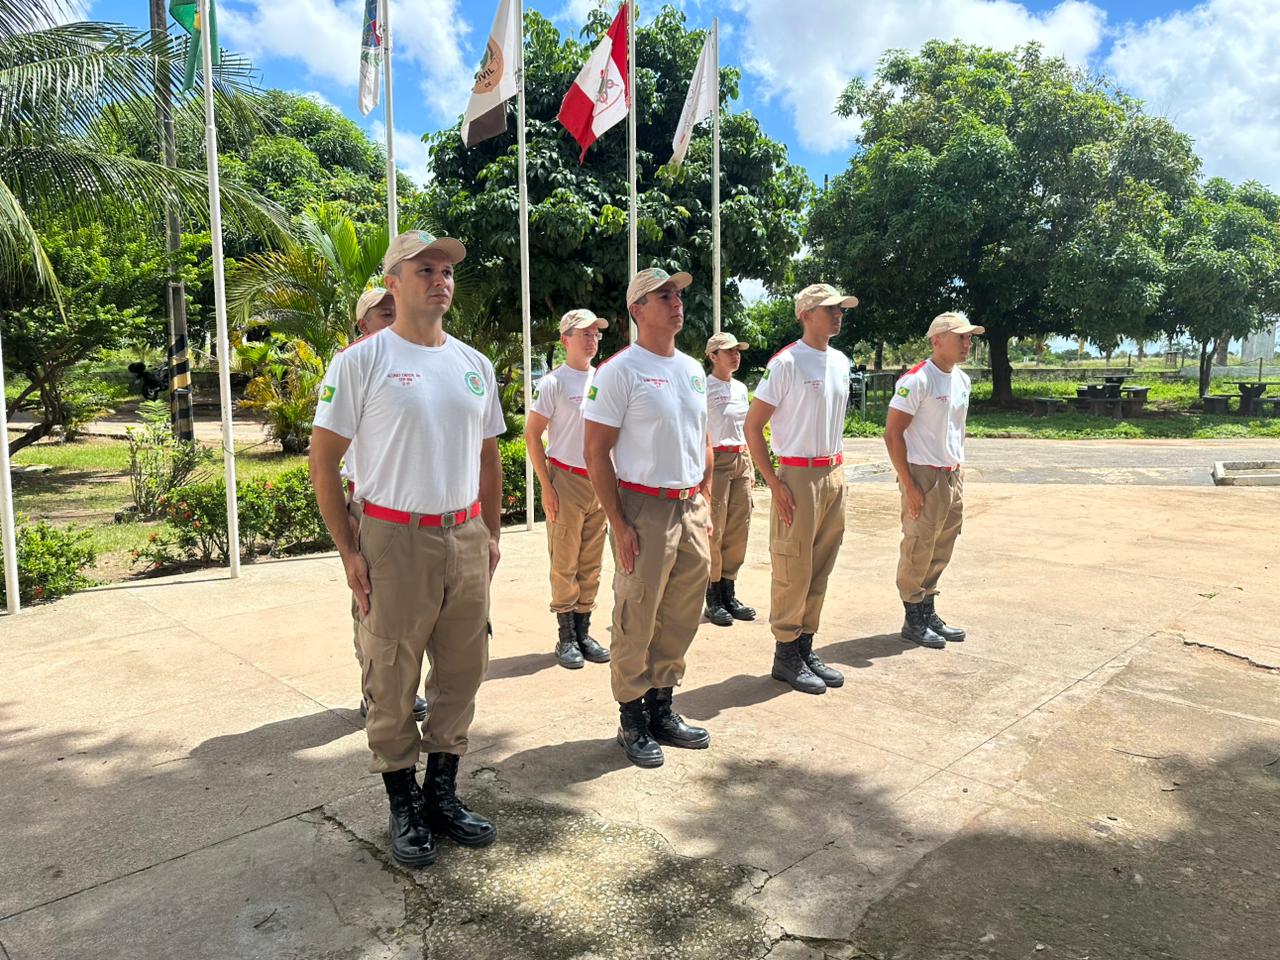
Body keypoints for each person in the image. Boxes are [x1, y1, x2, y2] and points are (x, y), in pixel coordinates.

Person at [310, 230, 503, 868]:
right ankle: (403, 801)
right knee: (391, 673)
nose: (440, 279)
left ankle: (442, 793)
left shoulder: (474, 365)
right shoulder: (361, 362)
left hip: (465, 534)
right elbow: (323, 461)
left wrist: (492, 533)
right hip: (393, 538)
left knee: (462, 669)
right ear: (393, 282)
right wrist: (349, 550)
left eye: (447, 270)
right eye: (425, 269)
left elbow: (488, 456)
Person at [582, 266, 714, 768]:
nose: (676, 302)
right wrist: (618, 522)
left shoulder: (693, 369)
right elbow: (595, 452)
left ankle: (662, 706)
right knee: (637, 614)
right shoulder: (620, 370)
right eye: (663, 296)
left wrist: (705, 499)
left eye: (677, 294)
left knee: (682, 612)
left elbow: (702, 437)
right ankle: (632, 717)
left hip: (690, 504)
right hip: (643, 506)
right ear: (637, 310)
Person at [745, 283, 856, 695]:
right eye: (830, 309)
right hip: (797, 474)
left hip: (833, 472)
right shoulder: (786, 363)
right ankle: (786, 652)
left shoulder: (841, 361)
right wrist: (773, 482)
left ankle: (806, 646)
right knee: (793, 567)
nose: (838, 314)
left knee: (821, 565)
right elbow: (753, 426)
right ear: (806, 315)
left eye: (840, 309)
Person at [345, 288, 430, 724]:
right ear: (364, 324)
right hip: (371, 504)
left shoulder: (420, 359)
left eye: (397, 310)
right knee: (372, 603)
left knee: (416, 606)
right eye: (384, 314)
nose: (394, 318)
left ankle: (403, 687)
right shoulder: (355, 364)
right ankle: (374, 689)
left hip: (419, 507)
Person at [884, 312, 981, 649]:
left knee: (942, 544)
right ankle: (913, 617)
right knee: (919, 545)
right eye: (961, 337)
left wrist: (957, 469)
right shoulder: (918, 380)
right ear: (937, 340)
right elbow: (893, 434)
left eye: (969, 338)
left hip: (952, 473)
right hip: (923, 474)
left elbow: (956, 429)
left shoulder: (962, 380)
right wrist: (909, 484)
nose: (967, 343)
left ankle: (927, 610)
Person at [524, 309, 612, 669]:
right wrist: (546, 486)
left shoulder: (604, 379)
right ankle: (566, 636)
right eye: (584, 334)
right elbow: (532, 435)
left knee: (591, 561)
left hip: (600, 480)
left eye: (595, 334)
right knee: (565, 561)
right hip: (566, 479)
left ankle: (583, 631)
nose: (592, 340)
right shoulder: (553, 383)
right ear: (565, 340)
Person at [702, 331, 757, 628]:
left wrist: (751, 466)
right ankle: (713, 597)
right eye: (729, 351)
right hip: (717, 461)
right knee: (715, 527)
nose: (736, 356)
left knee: (738, 527)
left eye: (738, 351)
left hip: (741, 460)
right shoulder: (703, 387)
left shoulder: (740, 387)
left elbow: (745, 428)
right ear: (713, 356)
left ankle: (729, 592)